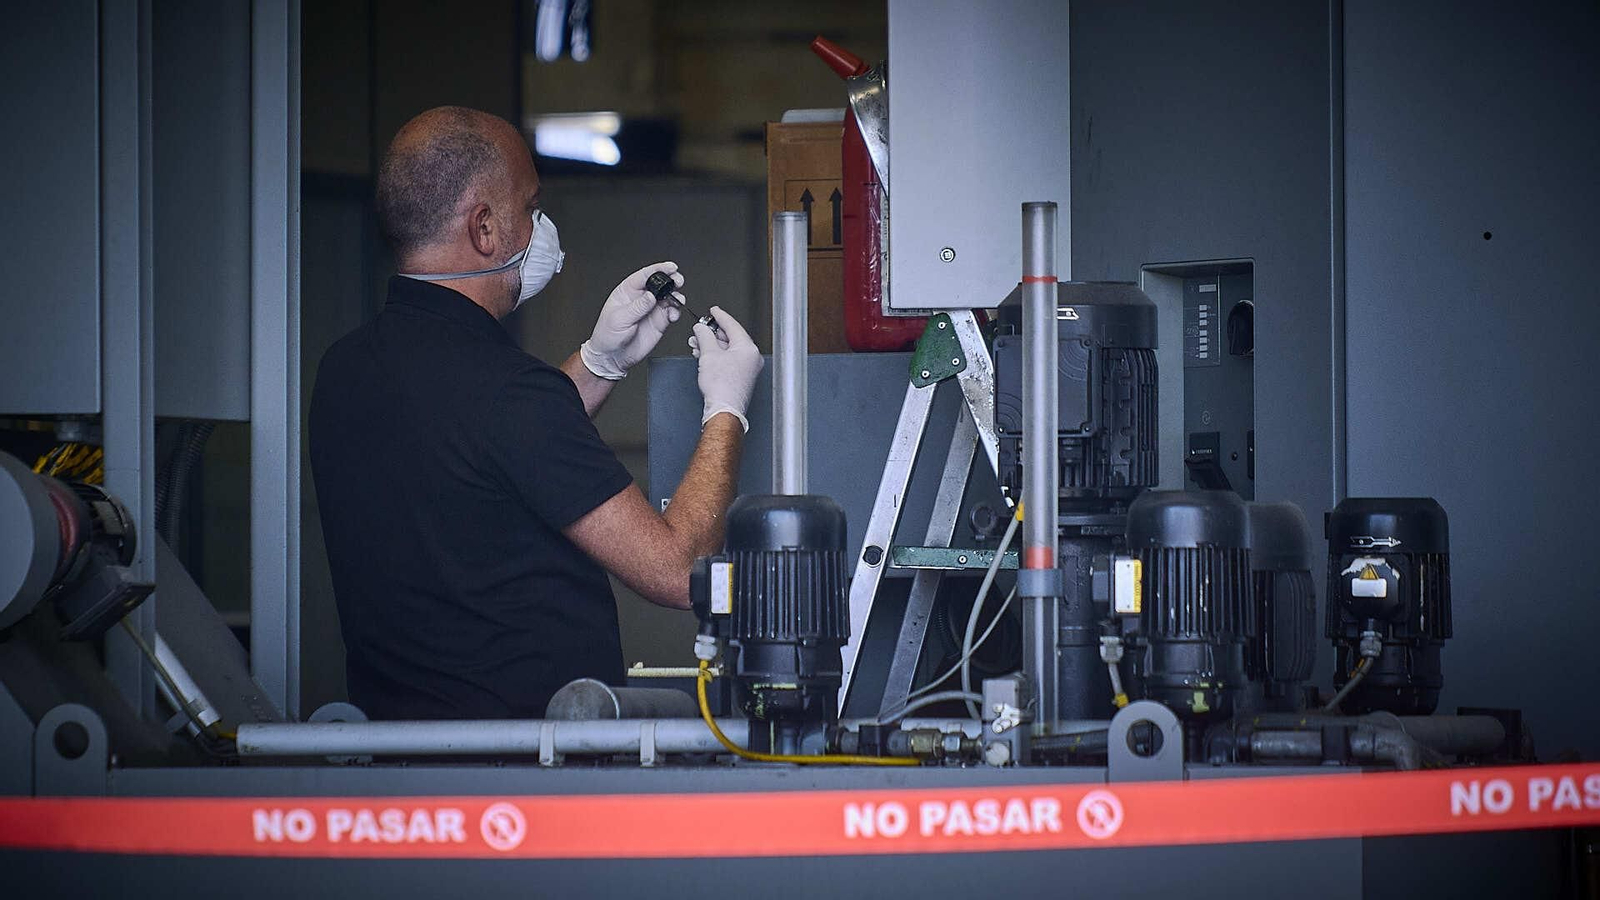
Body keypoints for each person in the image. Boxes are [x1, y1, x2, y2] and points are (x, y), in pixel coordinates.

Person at [309, 106, 763, 720]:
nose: (541, 226)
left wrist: (600, 361)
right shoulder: (509, 391)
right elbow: (679, 570)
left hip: (400, 761)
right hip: (529, 770)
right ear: (486, 228)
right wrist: (726, 408)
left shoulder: (344, 372)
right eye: (530, 208)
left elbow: (484, 456)